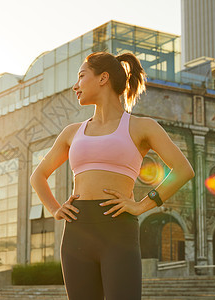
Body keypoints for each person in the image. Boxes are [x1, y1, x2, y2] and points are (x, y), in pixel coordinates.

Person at [30, 51, 195, 300]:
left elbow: (183, 170)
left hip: (118, 230)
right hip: (77, 231)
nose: (75, 86)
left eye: (81, 76)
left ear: (103, 78)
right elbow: (38, 176)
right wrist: (54, 209)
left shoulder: (142, 127)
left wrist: (142, 205)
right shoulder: (71, 132)